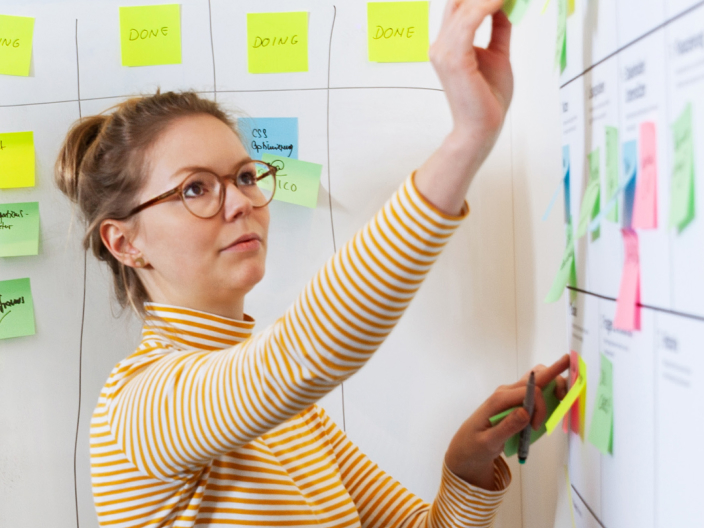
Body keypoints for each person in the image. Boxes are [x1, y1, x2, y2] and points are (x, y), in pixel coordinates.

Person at [56, 1, 568, 526]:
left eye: (245, 177)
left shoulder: (295, 413)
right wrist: (467, 139)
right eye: (194, 188)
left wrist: (465, 464)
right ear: (124, 243)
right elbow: (304, 354)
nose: (240, 203)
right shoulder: (138, 407)